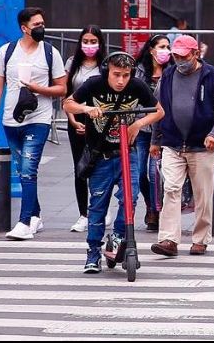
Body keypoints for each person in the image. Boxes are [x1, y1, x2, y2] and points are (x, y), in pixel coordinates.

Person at [63, 51, 164, 273]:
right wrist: (86, 109)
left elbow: (159, 111)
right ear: (108, 71)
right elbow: (68, 104)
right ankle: (93, 253)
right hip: (101, 156)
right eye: (116, 74)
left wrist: (138, 124)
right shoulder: (94, 84)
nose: (121, 80)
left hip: (128, 154)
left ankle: (118, 236)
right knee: (97, 205)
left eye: (126, 75)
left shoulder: (137, 86)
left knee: (131, 198)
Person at [0, 7, 67, 240]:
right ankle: (36, 215)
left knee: (28, 169)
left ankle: (24, 222)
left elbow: (62, 88)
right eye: (36, 25)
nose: (41, 28)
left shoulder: (50, 53)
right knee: (22, 169)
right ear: (24, 28)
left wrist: (38, 89)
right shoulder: (7, 51)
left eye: (43, 23)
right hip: (11, 120)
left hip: (39, 119)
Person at [149, 35, 214, 257]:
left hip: (201, 144)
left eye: (183, 56)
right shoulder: (168, 74)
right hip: (172, 143)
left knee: (203, 194)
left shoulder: (211, 75)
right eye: (175, 56)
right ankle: (168, 239)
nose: (179, 60)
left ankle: (200, 239)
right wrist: (156, 140)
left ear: (195, 54)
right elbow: (159, 108)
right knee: (171, 188)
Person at [64, 26, 106, 232]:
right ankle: (83, 213)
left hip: (100, 119)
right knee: (79, 166)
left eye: (93, 41)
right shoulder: (72, 63)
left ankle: (100, 209)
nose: (89, 46)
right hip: (77, 116)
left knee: (100, 166)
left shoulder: (105, 65)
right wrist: (73, 120)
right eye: (86, 41)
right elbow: (67, 95)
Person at [132, 35, 173, 232]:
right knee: (139, 173)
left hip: (163, 131)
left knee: (154, 172)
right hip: (142, 127)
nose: (166, 50)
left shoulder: (172, 70)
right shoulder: (139, 71)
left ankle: (158, 210)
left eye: (168, 47)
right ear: (151, 49)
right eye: (161, 47)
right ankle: (150, 205)